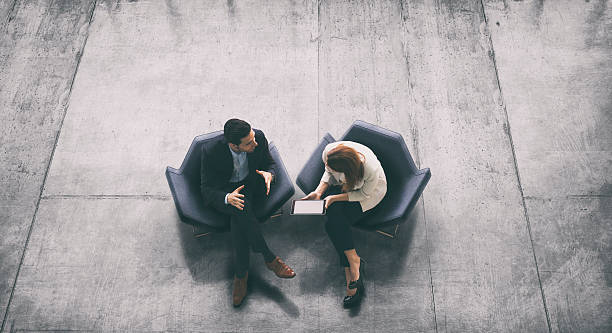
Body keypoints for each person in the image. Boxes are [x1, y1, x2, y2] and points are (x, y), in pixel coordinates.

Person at [200, 118, 296, 307]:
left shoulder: (258, 137)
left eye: (253, 138)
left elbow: (270, 163)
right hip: (225, 191)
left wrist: (271, 174)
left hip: (249, 186)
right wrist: (227, 197)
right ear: (233, 145)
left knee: (240, 216)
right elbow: (206, 188)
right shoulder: (211, 152)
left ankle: (241, 276)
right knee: (240, 210)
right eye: (249, 143)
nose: (255, 143)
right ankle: (269, 259)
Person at [302, 141, 387, 308]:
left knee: (333, 223)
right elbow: (328, 170)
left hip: (368, 195)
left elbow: (363, 194)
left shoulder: (370, 170)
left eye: (333, 168)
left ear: (346, 171)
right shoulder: (329, 152)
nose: (326, 166)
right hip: (348, 187)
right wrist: (319, 191)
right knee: (333, 221)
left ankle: (351, 264)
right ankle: (353, 261)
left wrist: (333, 198)